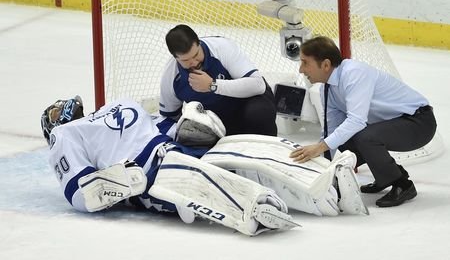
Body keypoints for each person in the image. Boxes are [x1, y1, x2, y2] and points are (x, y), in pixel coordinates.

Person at [40, 96, 296, 236]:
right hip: (148, 175)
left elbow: (167, 127)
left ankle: (296, 185)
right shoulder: (64, 134)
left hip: (171, 150)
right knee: (198, 181)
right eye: (53, 113)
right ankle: (254, 209)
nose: (60, 110)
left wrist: (195, 125)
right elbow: (79, 192)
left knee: (236, 158)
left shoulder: (115, 105)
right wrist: (118, 183)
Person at [289, 36, 437, 208]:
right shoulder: (326, 89)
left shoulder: (354, 73)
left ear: (326, 65)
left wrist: (320, 147)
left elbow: (356, 121)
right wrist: (321, 170)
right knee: (341, 138)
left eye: (305, 63)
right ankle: (390, 175)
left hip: (419, 123)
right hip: (396, 124)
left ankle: (403, 185)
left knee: (364, 136)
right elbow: (331, 131)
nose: (301, 69)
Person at [159, 24, 277, 136]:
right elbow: (169, 117)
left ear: (199, 43)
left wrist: (213, 85)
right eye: (186, 61)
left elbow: (258, 85)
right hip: (219, 120)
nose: (194, 63)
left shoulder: (222, 47)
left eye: (196, 55)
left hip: (250, 103)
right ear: (175, 58)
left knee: (258, 113)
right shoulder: (170, 76)